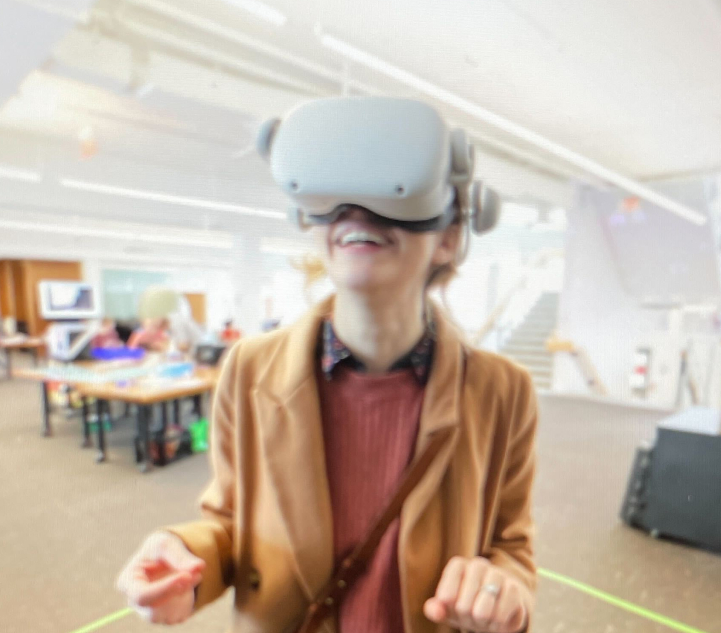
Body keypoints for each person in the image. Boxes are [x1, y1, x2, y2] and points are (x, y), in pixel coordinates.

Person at [116, 96, 536, 633]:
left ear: (449, 238)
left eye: (389, 195)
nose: (357, 212)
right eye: (335, 198)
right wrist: (182, 560)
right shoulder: (248, 370)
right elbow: (228, 526)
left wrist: (502, 591)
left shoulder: (502, 391)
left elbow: (511, 548)